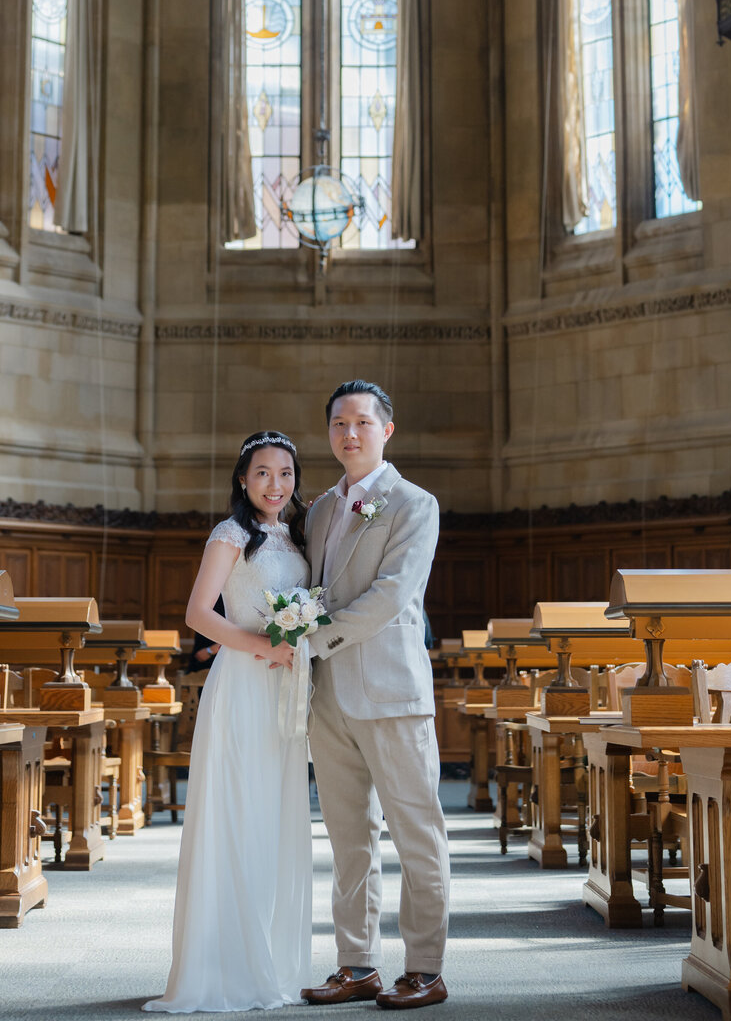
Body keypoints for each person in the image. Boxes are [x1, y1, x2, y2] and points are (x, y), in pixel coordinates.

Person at [142, 431, 311, 1013]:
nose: (275, 484)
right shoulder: (231, 533)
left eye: (285, 473)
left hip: (286, 689)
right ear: (243, 479)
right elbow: (197, 613)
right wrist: (260, 647)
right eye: (263, 473)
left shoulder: (297, 532)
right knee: (238, 812)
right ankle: (222, 964)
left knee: (274, 815)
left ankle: (265, 953)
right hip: (242, 684)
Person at [299, 379, 450, 1012]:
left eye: (361, 422)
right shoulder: (318, 511)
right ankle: (356, 963)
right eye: (338, 424)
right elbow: (311, 589)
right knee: (347, 839)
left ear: (386, 430)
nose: (349, 433)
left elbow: (391, 596)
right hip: (327, 697)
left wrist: (313, 638)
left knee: (417, 836)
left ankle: (425, 968)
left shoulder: (414, 504)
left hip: (390, 694)